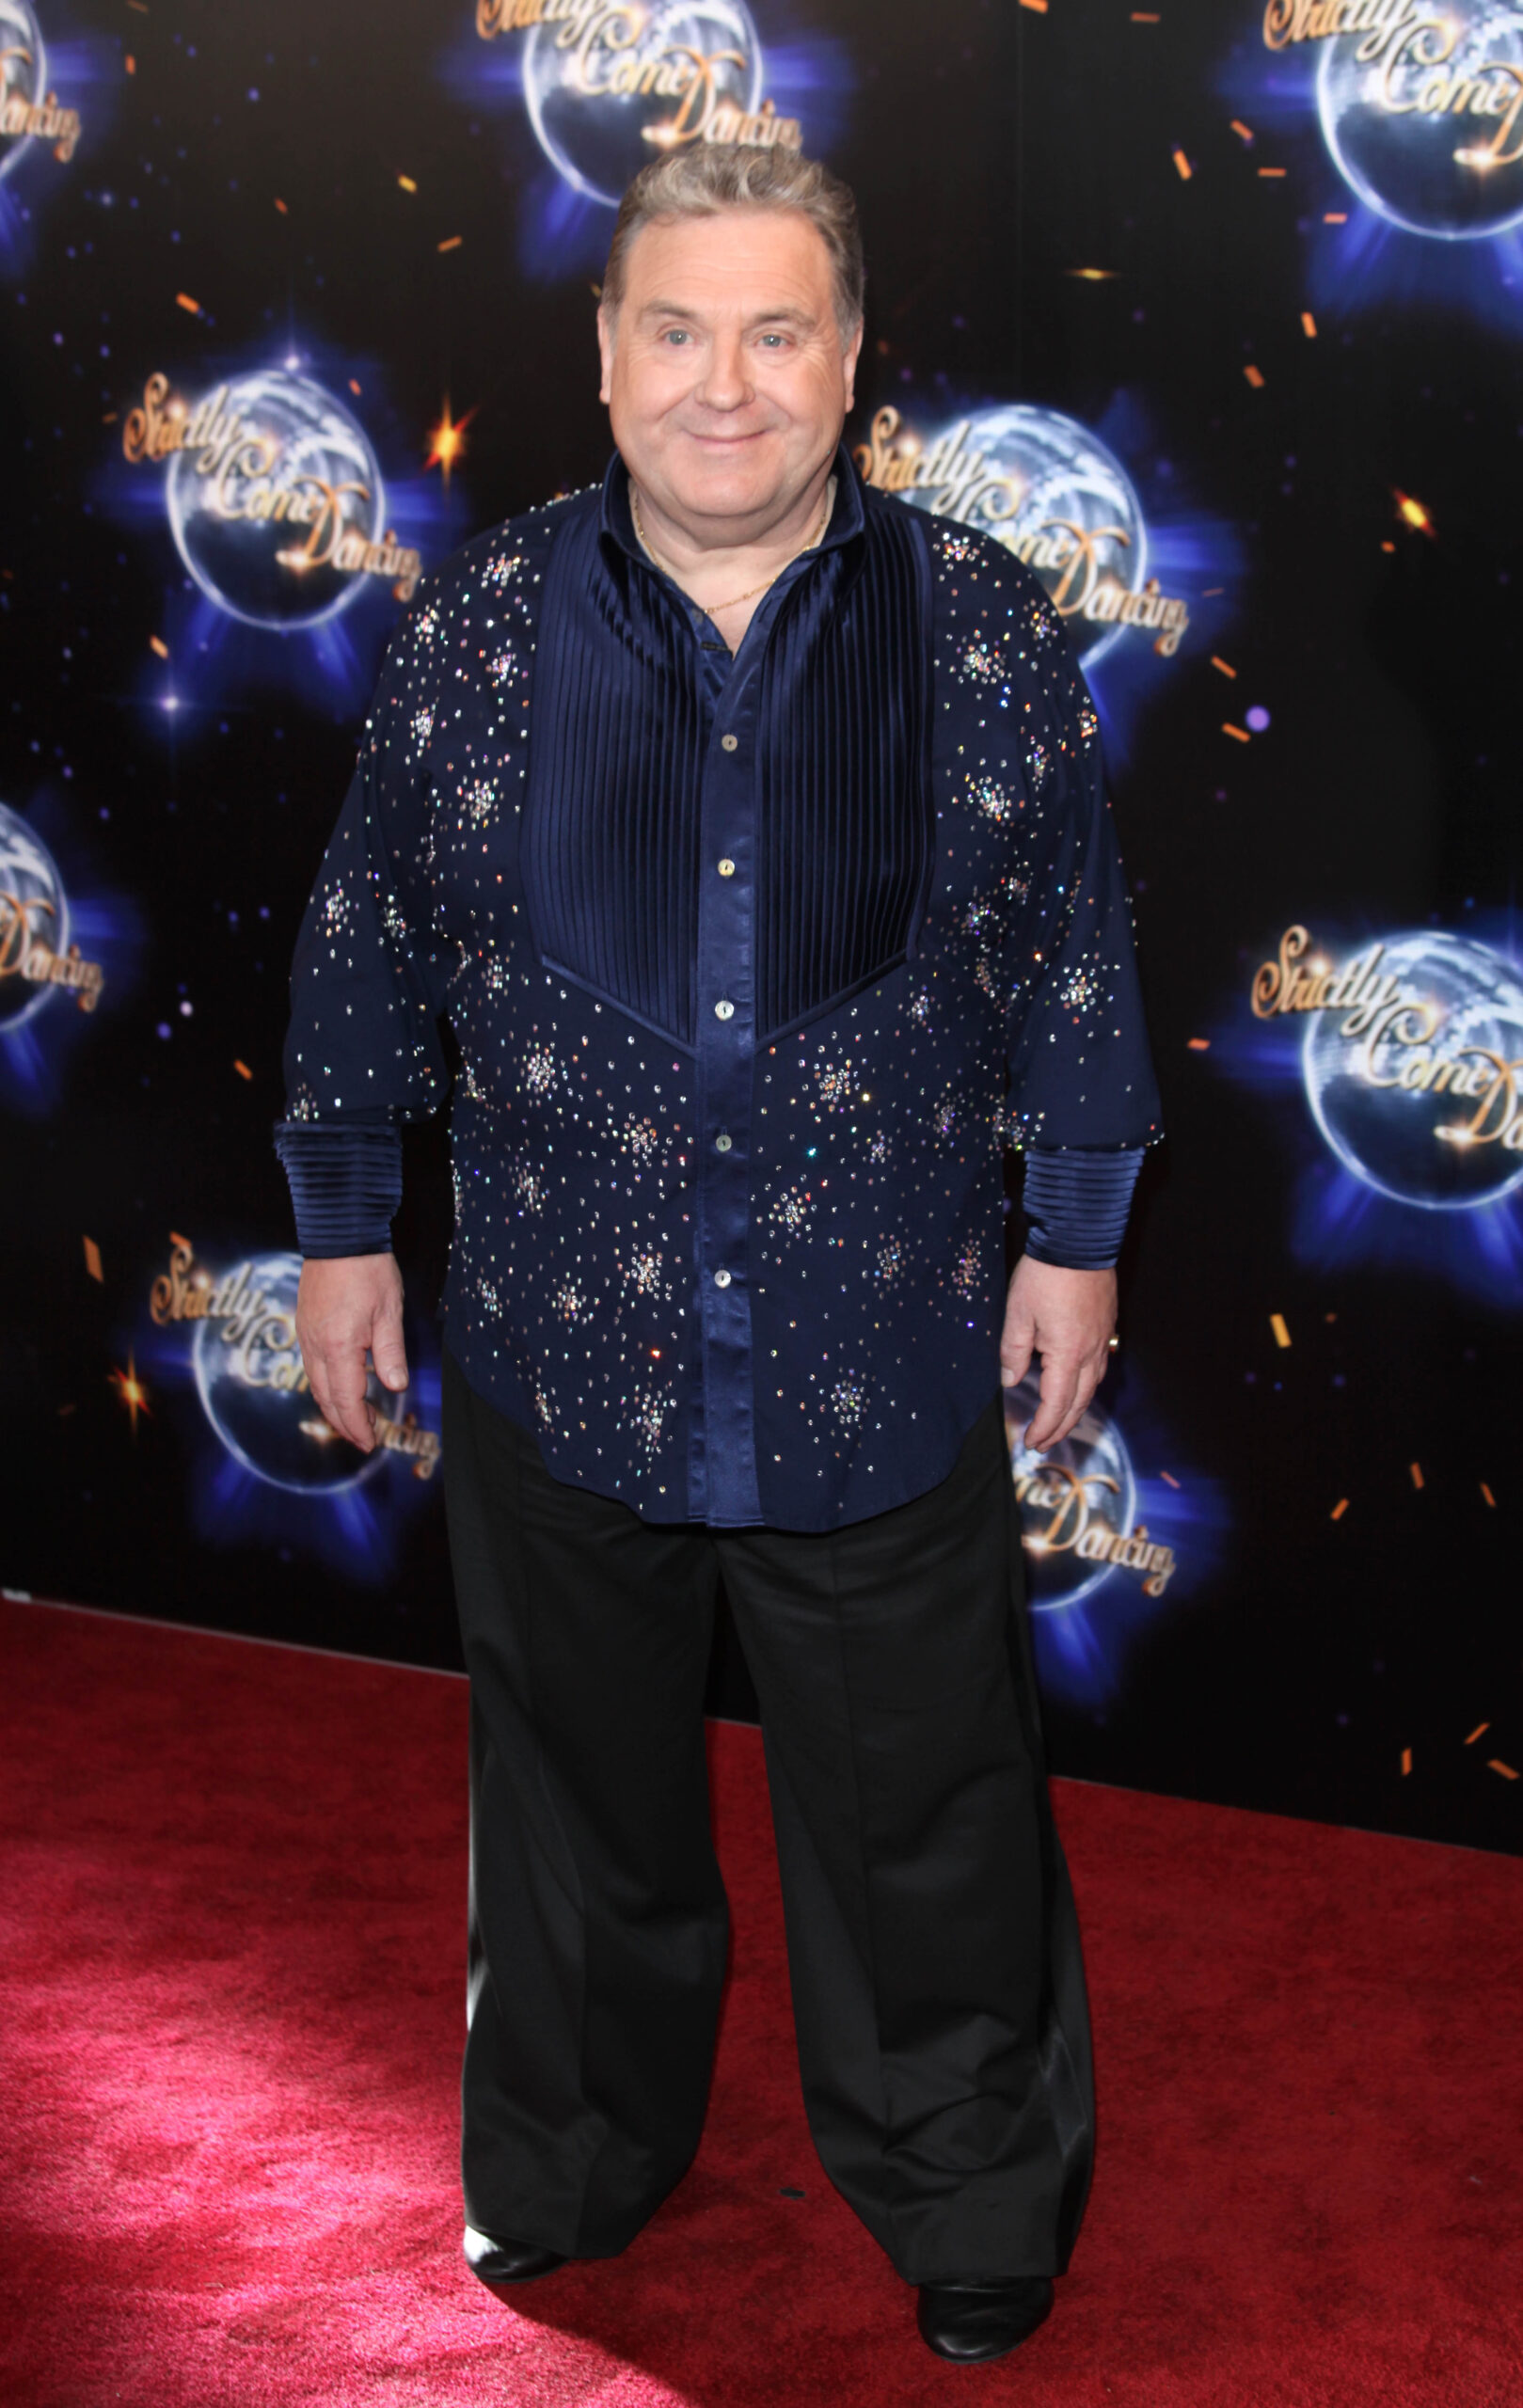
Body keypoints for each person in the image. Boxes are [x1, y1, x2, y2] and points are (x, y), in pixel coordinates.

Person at [278, 144, 1160, 2368]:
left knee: (927, 1813)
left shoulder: (984, 625)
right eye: (678, 330)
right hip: (565, 1347)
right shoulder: (474, 629)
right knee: (576, 1807)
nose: (727, 386)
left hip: (878, 1339)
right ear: (605, 357)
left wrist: (1074, 1238)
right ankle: (569, 2153)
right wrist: (339, 1225)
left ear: (853, 361)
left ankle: (967, 2177)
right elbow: (367, 938)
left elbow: (1075, 959)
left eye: (781, 332)